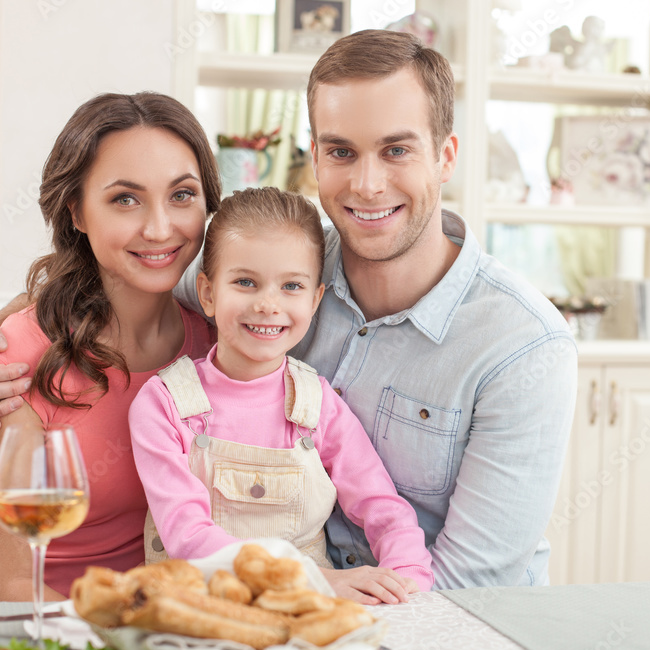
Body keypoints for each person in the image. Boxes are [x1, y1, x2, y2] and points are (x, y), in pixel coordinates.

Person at [0, 30, 578, 593]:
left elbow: (471, 586)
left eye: (396, 150)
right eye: (340, 151)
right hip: (213, 608)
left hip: (421, 620)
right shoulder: (264, 285)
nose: (366, 185)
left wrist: (319, 604)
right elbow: (122, 269)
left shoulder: (523, 346)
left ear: (445, 156)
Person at [0, 92, 220, 603]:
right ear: (77, 212)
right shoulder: (18, 357)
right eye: (125, 199)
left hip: (147, 627)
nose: (160, 229)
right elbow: (15, 584)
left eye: (182, 195)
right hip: (31, 629)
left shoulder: (217, 344)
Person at [129, 187, 433, 604]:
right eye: (245, 282)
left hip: (307, 618)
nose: (268, 304)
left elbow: (384, 509)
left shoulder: (318, 404)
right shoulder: (163, 404)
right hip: (197, 618)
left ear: (315, 300)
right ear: (208, 293)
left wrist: (408, 581)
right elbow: (187, 535)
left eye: (291, 286)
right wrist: (309, 580)